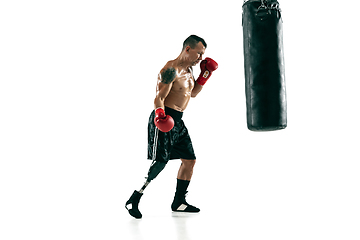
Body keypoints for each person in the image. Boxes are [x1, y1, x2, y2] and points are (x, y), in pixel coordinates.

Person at [125, 35, 218, 219]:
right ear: (188, 49)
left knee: (189, 160)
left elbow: (193, 94)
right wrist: (160, 115)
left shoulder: (189, 71)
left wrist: (206, 74)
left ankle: (179, 202)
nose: (201, 58)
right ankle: (134, 198)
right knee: (160, 162)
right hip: (164, 118)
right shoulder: (171, 69)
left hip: (179, 121)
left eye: (203, 55)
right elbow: (159, 97)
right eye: (199, 53)